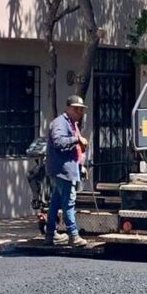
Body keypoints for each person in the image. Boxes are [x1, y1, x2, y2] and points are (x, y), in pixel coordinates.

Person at [45, 95, 90, 247]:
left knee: (55, 202)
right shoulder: (60, 123)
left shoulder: (71, 124)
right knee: (69, 202)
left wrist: (79, 167)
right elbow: (59, 142)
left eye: (81, 110)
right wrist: (77, 139)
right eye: (76, 109)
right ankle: (73, 235)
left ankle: (50, 234)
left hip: (66, 169)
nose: (79, 112)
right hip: (63, 171)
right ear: (68, 108)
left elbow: (73, 151)